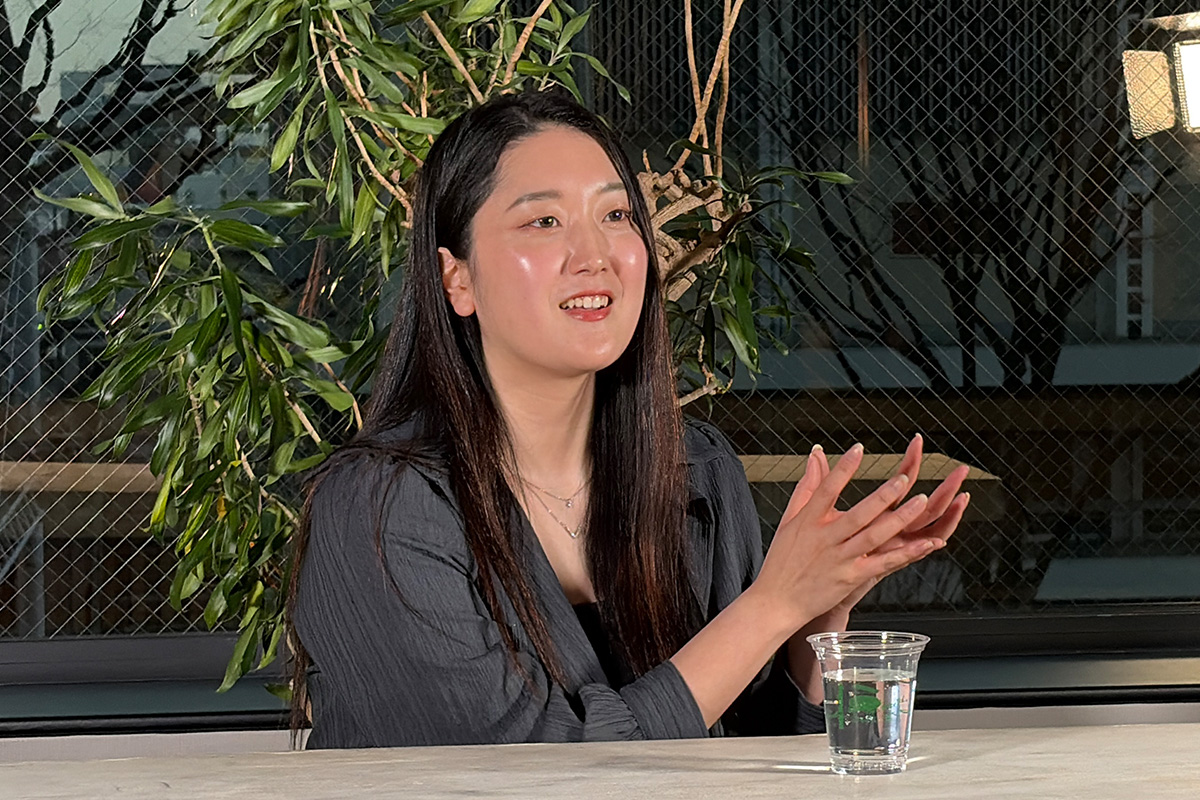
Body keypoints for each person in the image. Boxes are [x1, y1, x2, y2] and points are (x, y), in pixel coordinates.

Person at [287, 89, 970, 748]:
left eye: (616, 215)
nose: (596, 256)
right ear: (456, 279)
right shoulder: (377, 509)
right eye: (544, 222)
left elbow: (748, 752)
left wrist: (812, 621)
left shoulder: (697, 472)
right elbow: (523, 772)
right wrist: (771, 605)